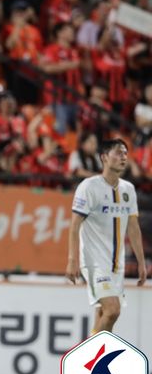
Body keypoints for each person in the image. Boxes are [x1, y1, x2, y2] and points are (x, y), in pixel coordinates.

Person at [66, 138, 147, 334]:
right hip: (94, 262)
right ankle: (87, 356)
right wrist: (72, 259)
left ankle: (96, 361)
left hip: (115, 264)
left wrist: (142, 263)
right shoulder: (89, 186)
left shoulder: (128, 189)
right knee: (113, 310)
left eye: (126, 153)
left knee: (103, 316)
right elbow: (75, 225)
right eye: (118, 152)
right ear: (104, 157)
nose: (124, 157)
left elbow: (133, 227)